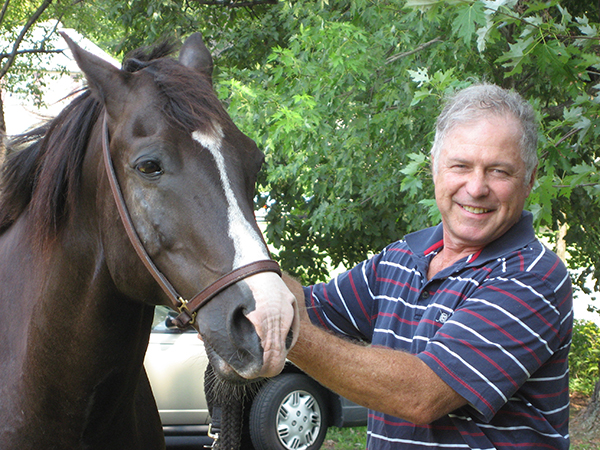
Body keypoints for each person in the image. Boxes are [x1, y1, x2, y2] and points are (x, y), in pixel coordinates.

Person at [285, 83, 573, 449]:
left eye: (499, 171)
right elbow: (310, 308)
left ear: (530, 180)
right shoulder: (403, 256)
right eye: (461, 166)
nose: (476, 187)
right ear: (434, 169)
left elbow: (421, 396)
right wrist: (235, 278)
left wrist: (283, 330)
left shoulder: (534, 278)